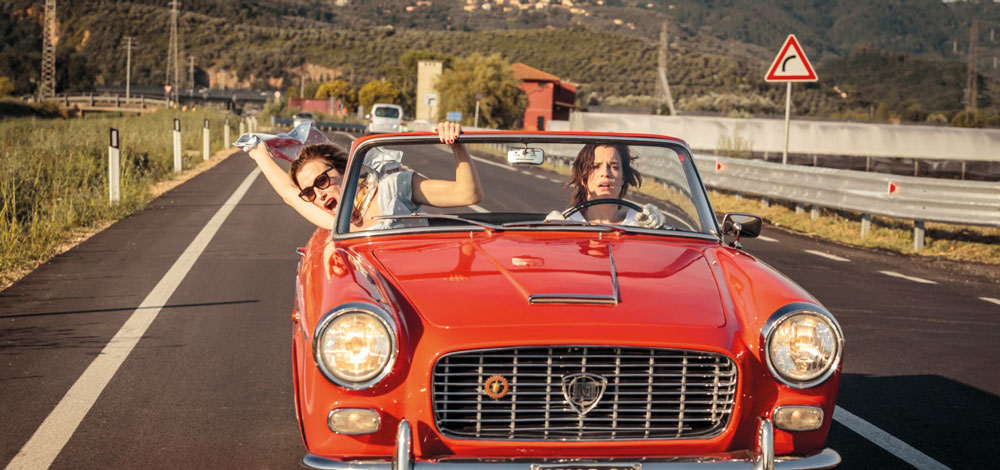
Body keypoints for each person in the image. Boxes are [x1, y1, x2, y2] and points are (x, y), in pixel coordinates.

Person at [247, 121, 483, 230]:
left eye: (322, 181)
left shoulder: (392, 187)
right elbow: (289, 194)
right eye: (309, 193)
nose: (319, 195)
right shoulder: (335, 222)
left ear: (343, 170)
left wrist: (456, 144)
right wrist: (259, 154)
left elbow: (467, 195)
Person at [547, 143, 665, 228]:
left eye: (614, 167)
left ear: (623, 177)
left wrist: (659, 228)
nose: (605, 173)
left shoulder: (640, 223)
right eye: (595, 166)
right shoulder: (566, 223)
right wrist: (548, 232)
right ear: (583, 178)